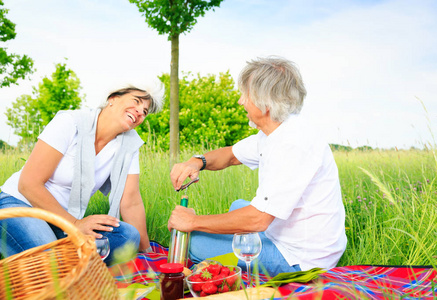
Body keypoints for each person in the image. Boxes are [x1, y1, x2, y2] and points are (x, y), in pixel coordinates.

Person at [168, 56, 347, 276]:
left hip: (302, 257)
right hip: (286, 232)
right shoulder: (275, 132)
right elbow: (231, 155)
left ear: (266, 102)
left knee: (195, 243)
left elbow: (258, 219)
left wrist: (192, 221)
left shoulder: (293, 144)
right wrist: (197, 162)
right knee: (237, 206)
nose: (240, 102)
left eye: (246, 95)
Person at [0, 84, 163, 265]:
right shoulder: (70, 122)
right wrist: (75, 225)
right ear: (113, 99)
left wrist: (147, 252)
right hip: (21, 205)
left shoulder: (129, 146)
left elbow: (131, 201)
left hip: (63, 222)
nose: (140, 111)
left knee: (127, 236)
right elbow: (28, 184)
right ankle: (57, 262)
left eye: (145, 111)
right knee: (51, 267)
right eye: (136, 101)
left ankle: (58, 259)